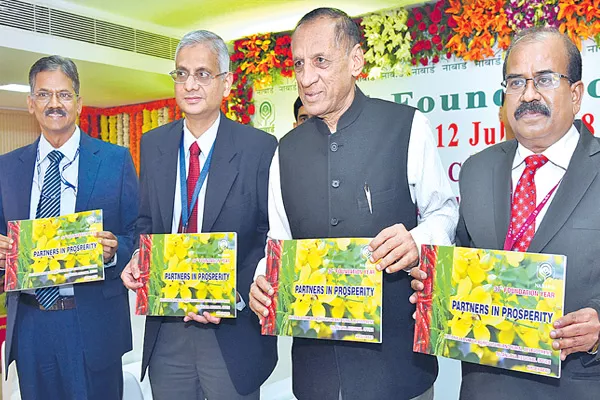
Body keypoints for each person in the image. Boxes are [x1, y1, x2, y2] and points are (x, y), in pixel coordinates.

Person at [249, 8, 458, 400]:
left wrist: (418, 239)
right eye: (298, 64)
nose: (306, 78)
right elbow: (278, 241)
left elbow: (445, 212)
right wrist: (262, 280)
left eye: (321, 61)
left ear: (356, 60)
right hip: (316, 374)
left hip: (397, 369)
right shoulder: (285, 151)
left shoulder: (408, 126)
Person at [410, 27, 600, 399]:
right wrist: (434, 285)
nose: (529, 95)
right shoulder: (477, 170)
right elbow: (464, 260)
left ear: (576, 94)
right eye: (515, 83)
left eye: (544, 79)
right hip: (485, 386)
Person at [120, 30, 278, 400]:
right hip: (167, 328)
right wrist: (135, 257)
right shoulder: (154, 143)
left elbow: (269, 234)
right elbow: (146, 223)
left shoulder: (258, 148)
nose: (190, 84)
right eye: (181, 73)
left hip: (229, 329)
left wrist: (233, 295)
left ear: (226, 83)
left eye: (203, 74)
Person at [0, 55, 138, 400]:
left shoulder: (114, 161)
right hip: (31, 326)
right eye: (44, 95)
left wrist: (113, 252)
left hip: (91, 323)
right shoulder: (7, 168)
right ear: (31, 104)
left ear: (79, 103)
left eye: (64, 94)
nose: (54, 104)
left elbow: (138, 236)